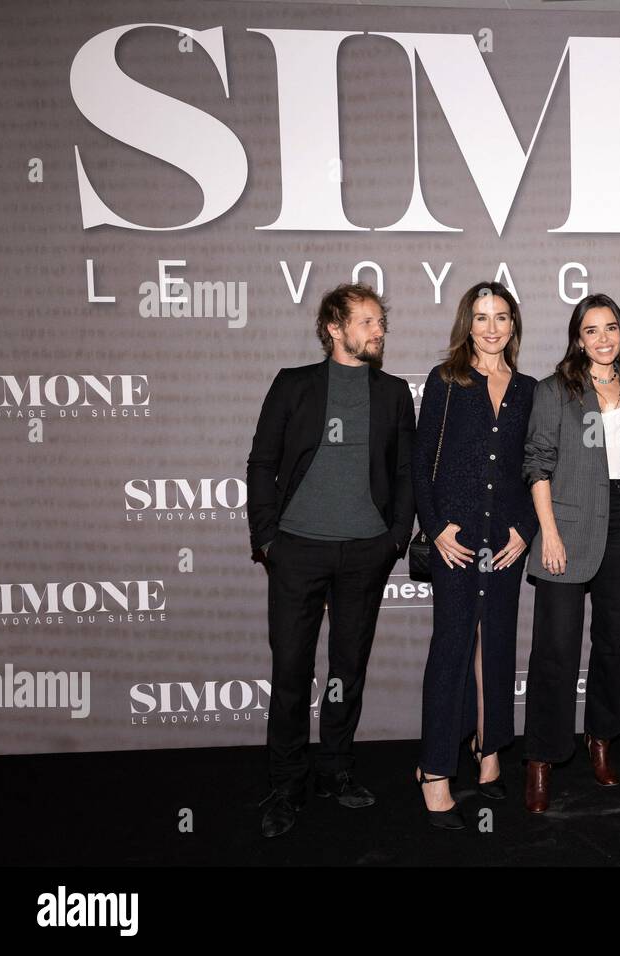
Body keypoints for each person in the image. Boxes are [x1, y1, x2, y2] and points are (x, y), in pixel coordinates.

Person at [246, 283, 415, 838]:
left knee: (347, 669)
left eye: (379, 321)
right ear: (334, 329)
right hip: (297, 550)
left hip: (366, 552)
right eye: (365, 322)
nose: (377, 330)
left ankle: (336, 768)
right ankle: (287, 781)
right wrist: (269, 539)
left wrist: (394, 537)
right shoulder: (294, 385)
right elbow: (262, 462)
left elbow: (407, 472)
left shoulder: (392, 394)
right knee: (292, 669)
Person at [412, 282, 537, 829]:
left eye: (501, 317)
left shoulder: (530, 389)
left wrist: (527, 530)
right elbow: (419, 464)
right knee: (452, 648)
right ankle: (435, 770)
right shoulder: (447, 381)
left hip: (505, 543)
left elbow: (538, 467)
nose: (491, 328)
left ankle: (488, 752)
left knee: (497, 646)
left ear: (513, 325)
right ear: (468, 323)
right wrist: (435, 527)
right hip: (456, 543)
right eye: (482, 317)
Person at [521, 293, 620, 813]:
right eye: (590, 330)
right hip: (566, 529)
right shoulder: (555, 391)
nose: (601, 338)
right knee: (555, 650)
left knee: (613, 645)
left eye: (610, 328)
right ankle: (543, 760)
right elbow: (537, 463)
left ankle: (601, 742)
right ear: (577, 338)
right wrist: (548, 531)